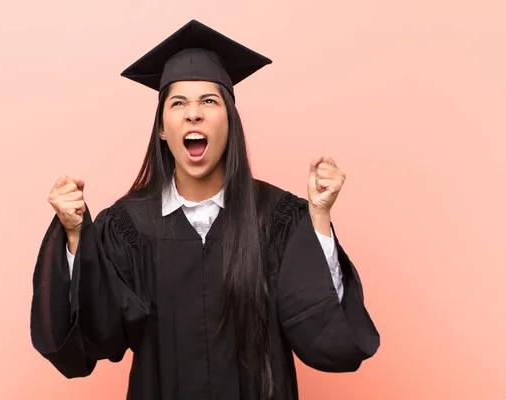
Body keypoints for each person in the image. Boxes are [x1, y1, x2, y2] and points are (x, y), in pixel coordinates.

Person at [30, 19, 380, 400]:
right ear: (162, 128)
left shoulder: (277, 218)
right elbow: (94, 337)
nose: (193, 114)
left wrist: (319, 219)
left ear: (230, 120)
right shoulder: (128, 227)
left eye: (209, 101)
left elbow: (324, 339)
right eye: (178, 102)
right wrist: (76, 235)